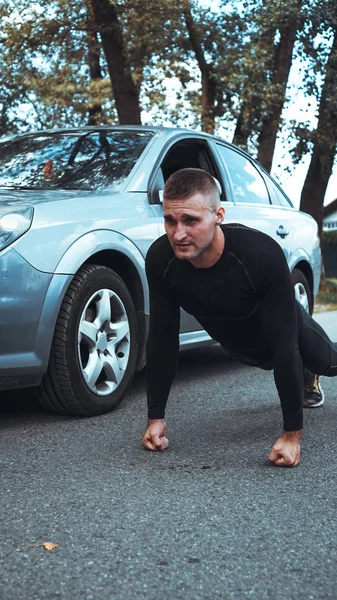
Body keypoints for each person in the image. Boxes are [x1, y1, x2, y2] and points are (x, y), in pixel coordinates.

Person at [141, 168, 337, 467]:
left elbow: (286, 348)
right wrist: (155, 418)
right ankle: (303, 375)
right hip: (238, 343)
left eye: (190, 221)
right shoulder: (160, 259)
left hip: (283, 329)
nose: (178, 234)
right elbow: (162, 337)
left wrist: (291, 435)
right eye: (170, 220)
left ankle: (310, 373)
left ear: (218, 215)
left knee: (327, 361)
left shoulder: (260, 255)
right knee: (260, 358)